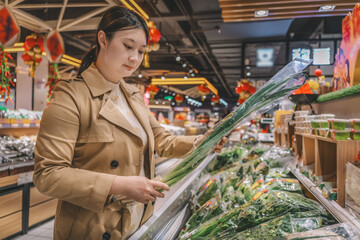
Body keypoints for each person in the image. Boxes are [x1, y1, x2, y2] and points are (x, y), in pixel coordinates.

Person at [33, 6, 227, 240]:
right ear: (103, 39)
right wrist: (118, 185)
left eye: (141, 50)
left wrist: (202, 142)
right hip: (92, 228)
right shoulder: (71, 97)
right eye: (127, 46)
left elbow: (162, 140)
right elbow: (48, 174)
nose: (135, 58)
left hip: (137, 221)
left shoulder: (133, 96)